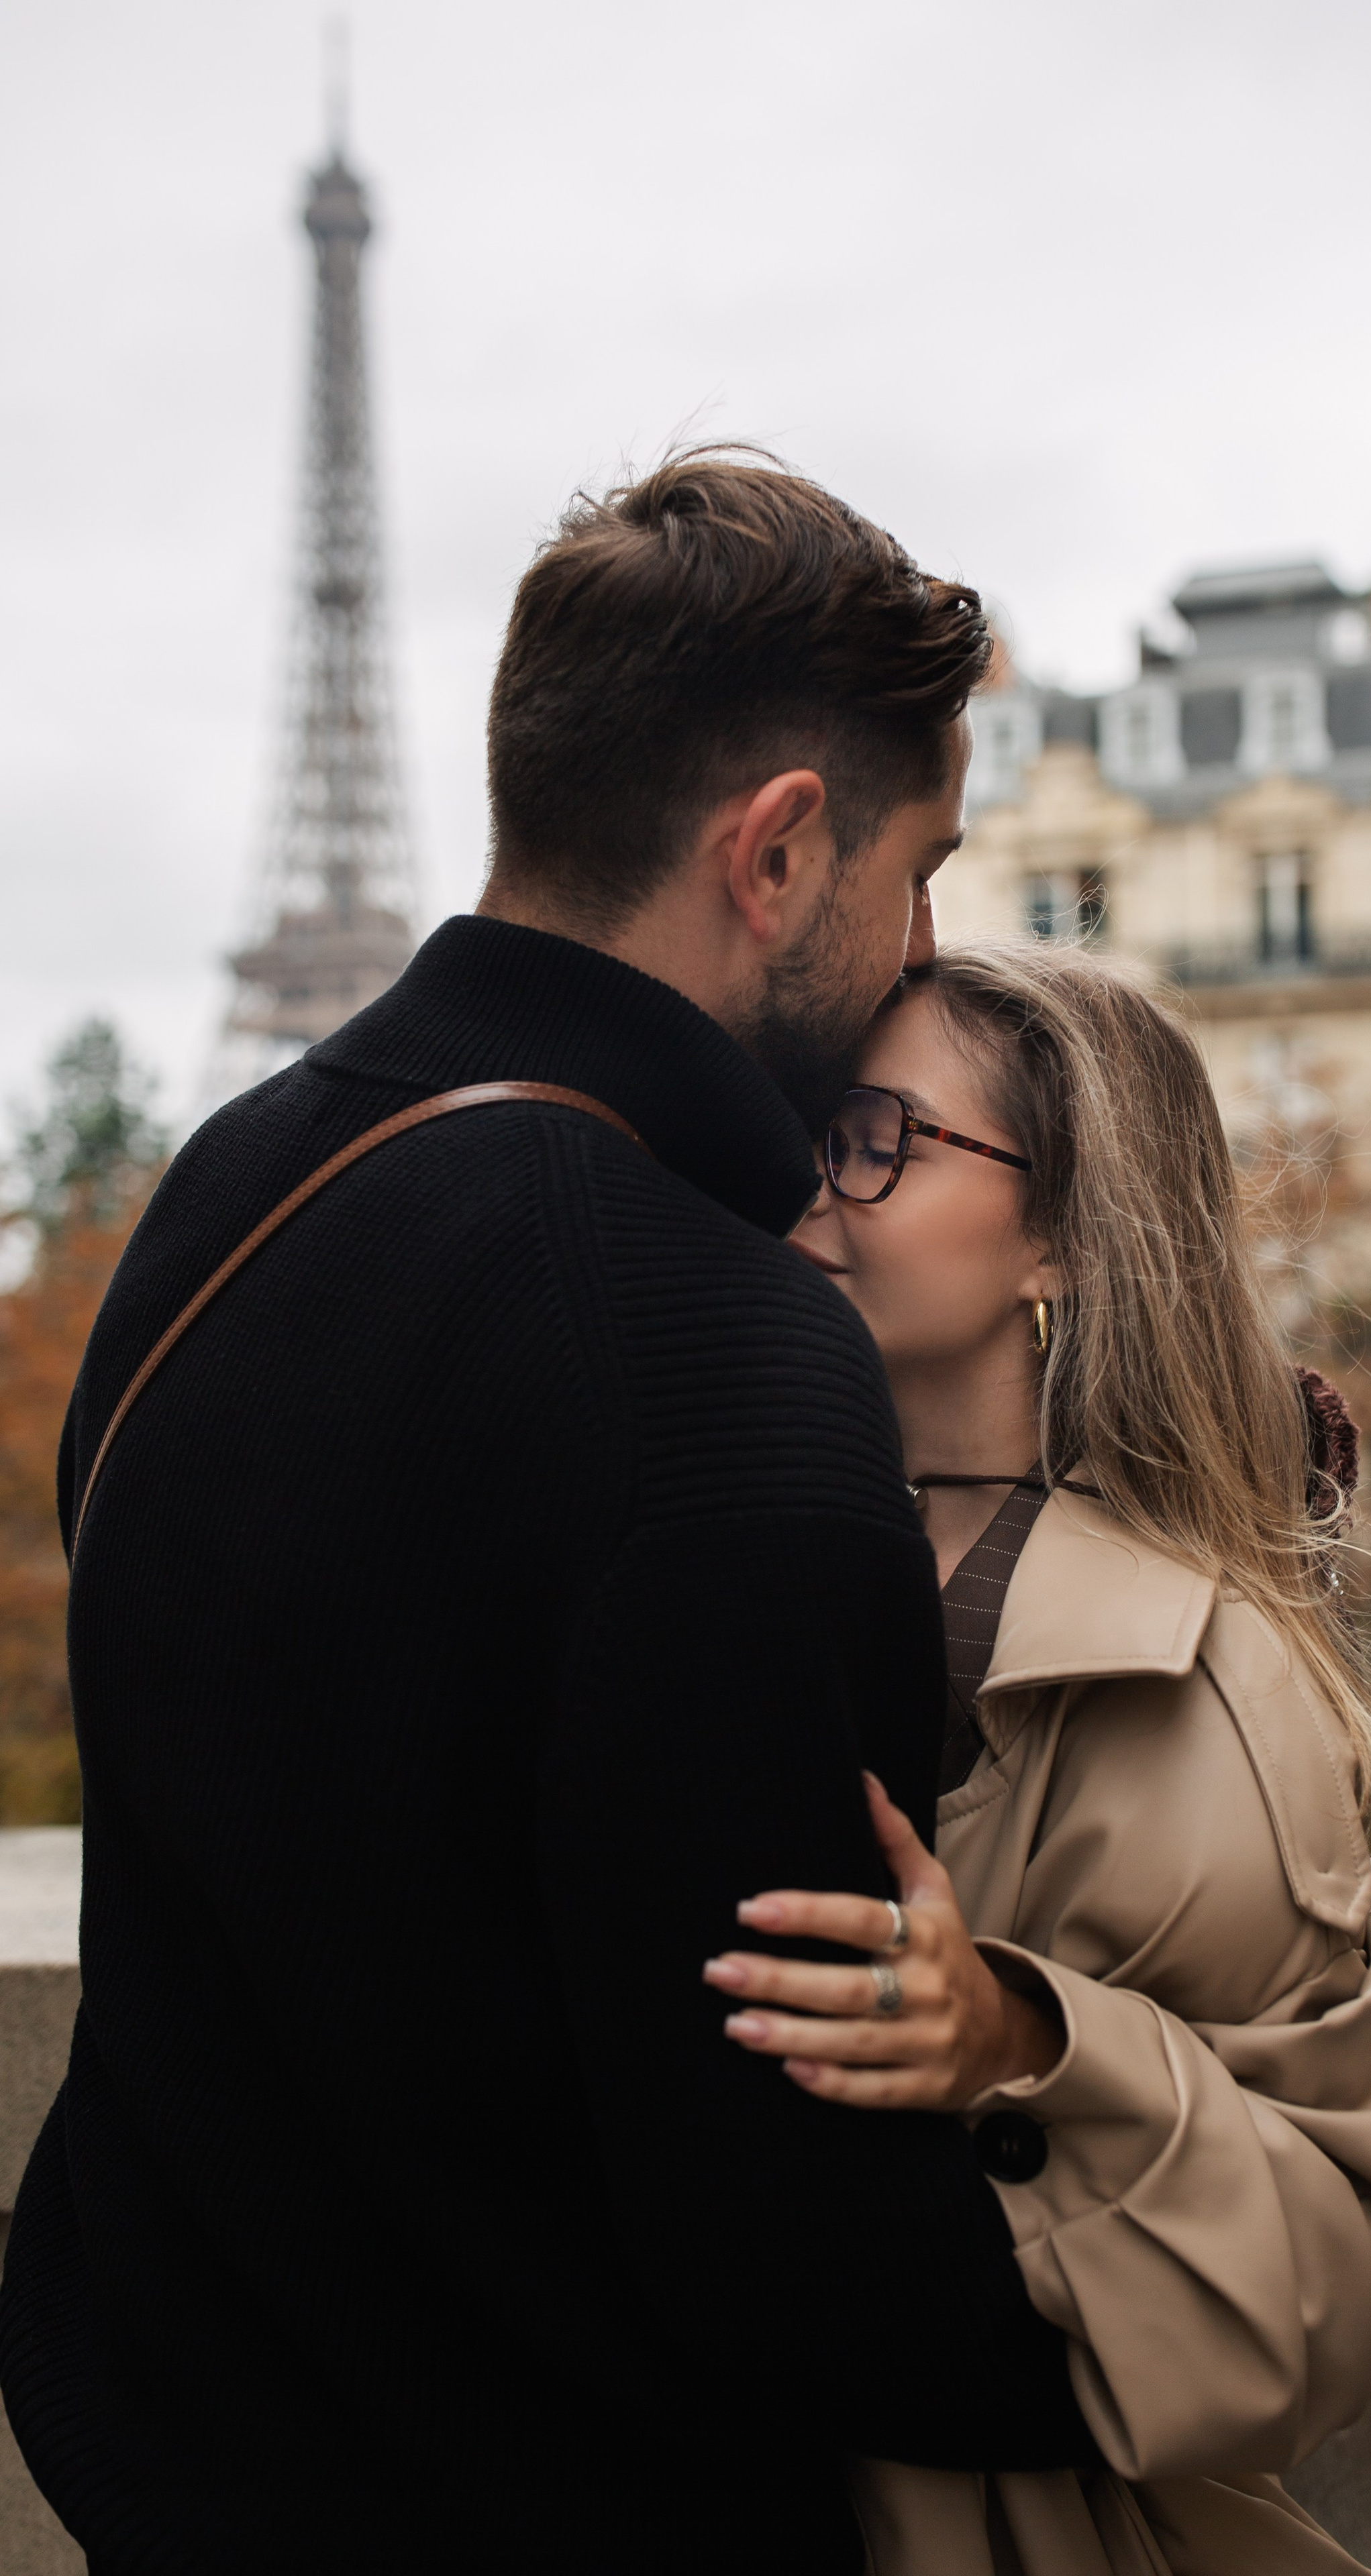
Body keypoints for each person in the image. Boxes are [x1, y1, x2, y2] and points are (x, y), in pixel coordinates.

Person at [0, 462, 1099, 2575]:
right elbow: (793, 2237)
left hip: (160, 2449)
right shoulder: (722, 1372)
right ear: (777, 853)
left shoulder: (219, 1193)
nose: (928, 946)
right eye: (921, 869)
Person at [702, 939, 1371, 2575]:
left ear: (1053, 1232)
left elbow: (1334, 2284)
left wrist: (1023, 2040)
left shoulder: (1209, 1685)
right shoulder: (741, 1529)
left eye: (877, 1137)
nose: (812, 1183)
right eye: (806, 1127)